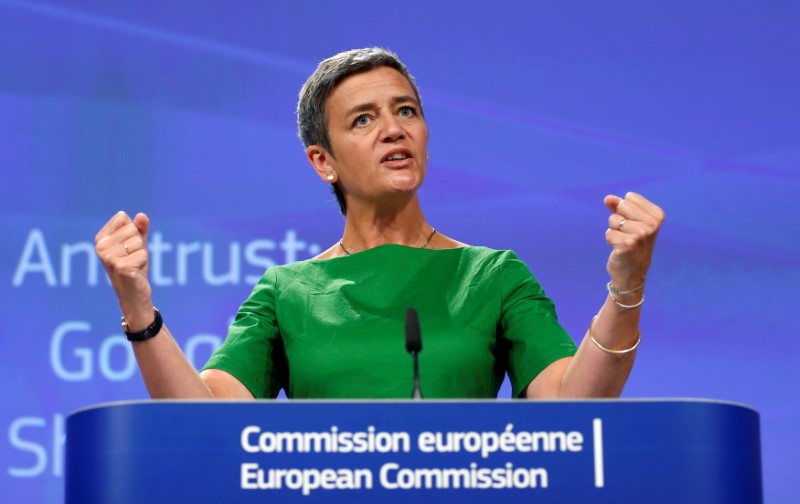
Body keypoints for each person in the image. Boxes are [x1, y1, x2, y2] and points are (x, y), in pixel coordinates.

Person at [95, 47, 664, 400]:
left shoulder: (493, 276)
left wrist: (627, 287)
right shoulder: (286, 293)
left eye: (406, 111)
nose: (393, 129)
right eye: (364, 119)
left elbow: (572, 406)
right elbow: (206, 420)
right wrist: (138, 310)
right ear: (324, 161)